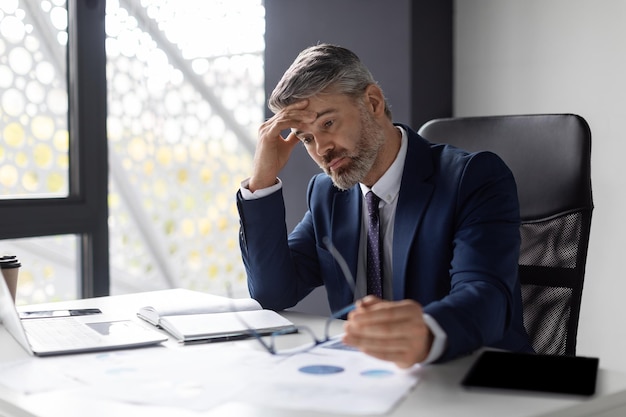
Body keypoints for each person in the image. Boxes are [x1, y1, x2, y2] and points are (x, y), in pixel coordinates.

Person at [236, 43, 533, 367]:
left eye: (327, 124)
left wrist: (425, 332)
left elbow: (486, 298)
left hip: (473, 378)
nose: (321, 149)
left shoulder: (472, 178)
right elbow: (272, 293)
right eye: (306, 138)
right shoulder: (327, 194)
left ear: (373, 103)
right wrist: (262, 180)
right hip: (369, 381)